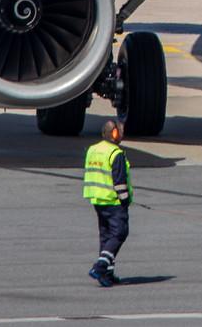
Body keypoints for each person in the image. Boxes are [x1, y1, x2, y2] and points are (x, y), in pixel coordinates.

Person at [82, 118, 133, 288]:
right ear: (114, 133)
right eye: (121, 131)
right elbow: (119, 181)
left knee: (106, 235)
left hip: (97, 199)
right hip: (113, 200)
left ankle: (107, 274)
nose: (122, 135)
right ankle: (100, 266)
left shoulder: (93, 149)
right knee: (120, 233)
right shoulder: (115, 153)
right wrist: (125, 200)